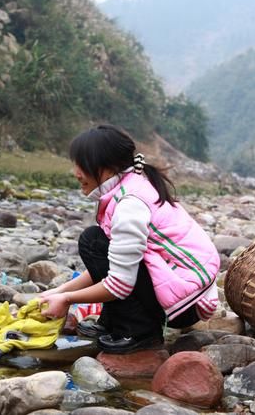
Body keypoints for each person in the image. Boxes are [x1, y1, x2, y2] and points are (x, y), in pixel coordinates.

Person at [40, 124, 220, 354]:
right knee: (98, 242)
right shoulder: (127, 187)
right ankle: (113, 322)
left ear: (106, 167)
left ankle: (140, 331)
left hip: (186, 302)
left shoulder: (129, 203)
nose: (76, 172)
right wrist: (59, 291)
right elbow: (114, 260)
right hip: (185, 291)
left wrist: (66, 300)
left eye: (81, 165)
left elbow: (120, 283)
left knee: (93, 241)